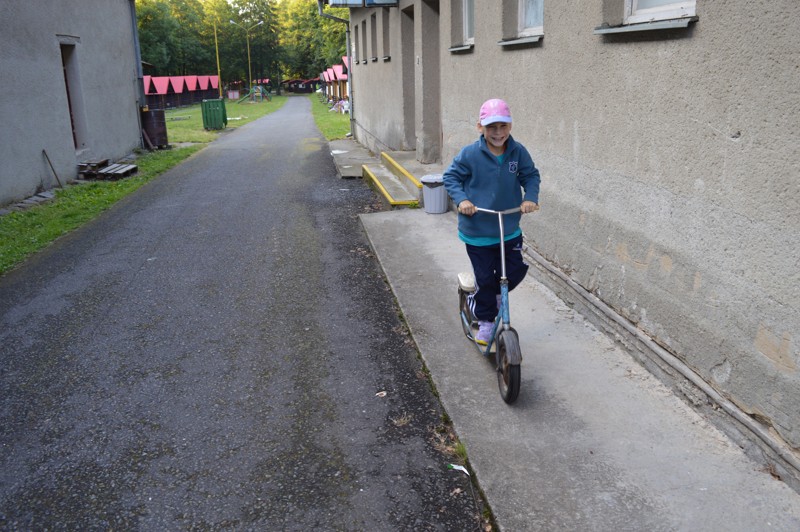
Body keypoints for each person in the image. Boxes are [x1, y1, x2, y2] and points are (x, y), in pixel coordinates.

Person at [442, 98, 541, 345]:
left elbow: (530, 175)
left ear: (510, 126)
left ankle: (491, 295)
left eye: (503, 126)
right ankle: (485, 319)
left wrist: (530, 197)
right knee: (485, 278)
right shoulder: (470, 154)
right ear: (480, 127)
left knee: (515, 271)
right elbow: (451, 177)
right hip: (478, 231)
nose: (498, 133)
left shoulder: (518, 152)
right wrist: (462, 200)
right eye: (491, 127)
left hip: (508, 228)